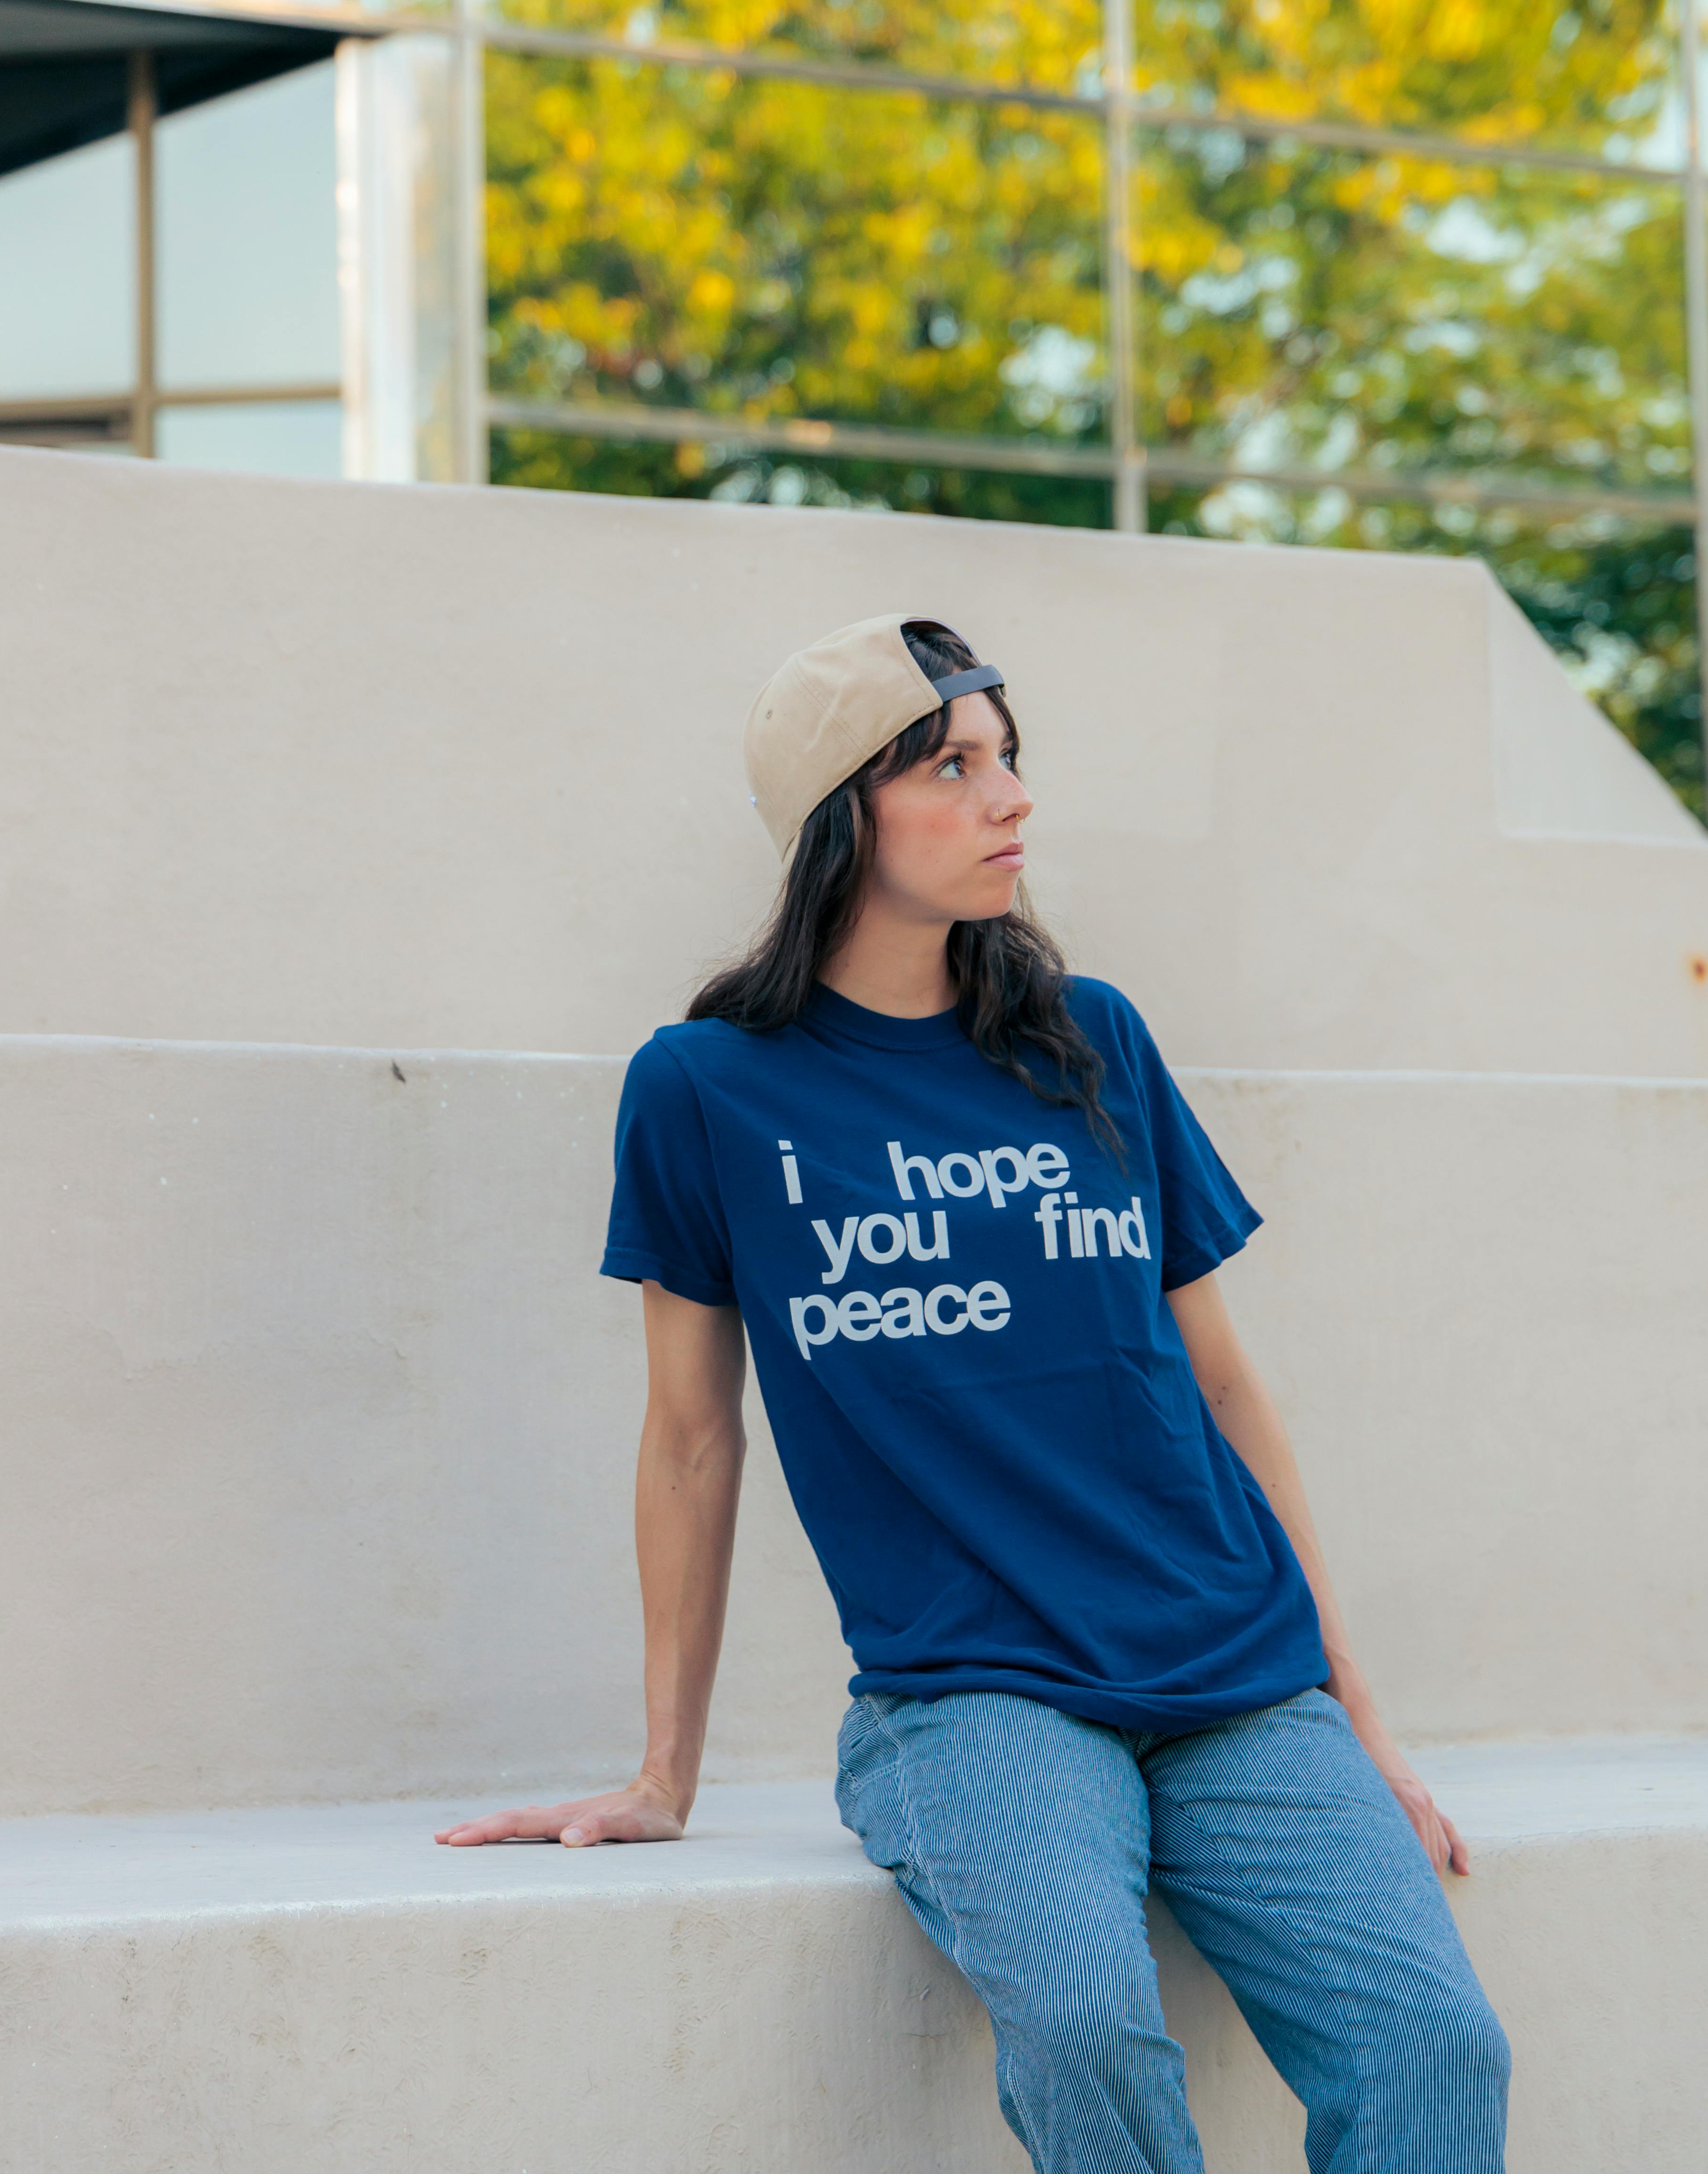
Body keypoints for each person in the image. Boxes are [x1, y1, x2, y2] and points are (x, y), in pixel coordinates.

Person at [437, 614, 1510, 2172]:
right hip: (974, 1697)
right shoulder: (707, 1086)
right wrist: (665, 1774)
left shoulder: (1092, 1043)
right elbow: (687, 1441)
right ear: (837, 822)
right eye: (954, 765)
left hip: (1232, 1672)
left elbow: (1219, 1382)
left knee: (1436, 2046)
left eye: (1010, 758)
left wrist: (1357, 1713)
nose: (1010, 798)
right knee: (1083, 2027)